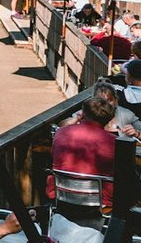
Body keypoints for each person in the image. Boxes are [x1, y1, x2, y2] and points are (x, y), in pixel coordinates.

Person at [48, 95, 120, 229]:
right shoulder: (113, 141)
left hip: (62, 195)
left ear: (83, 113)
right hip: (98, 201)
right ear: (109, 119)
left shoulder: (62, 133)